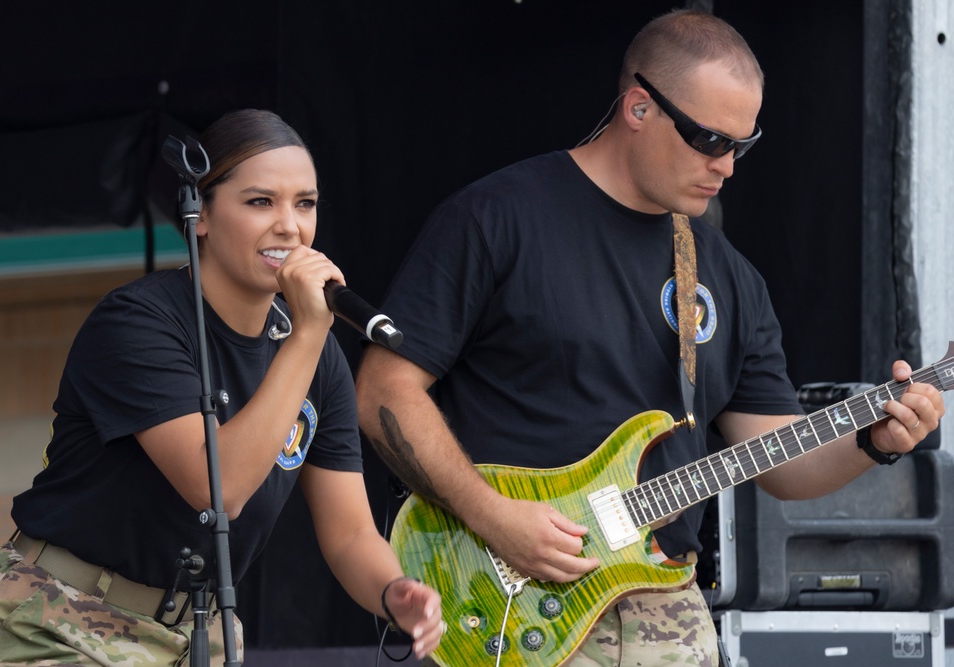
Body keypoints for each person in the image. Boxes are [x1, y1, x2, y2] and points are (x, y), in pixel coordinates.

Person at [354, 9, 945, 667]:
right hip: (503, 597)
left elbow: (780, 459)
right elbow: (385, 390)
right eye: (707, 139)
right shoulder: (496, 220)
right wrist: (496, 516)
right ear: (639, 107)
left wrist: (873, 439)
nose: (725, 165)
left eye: (741, 146)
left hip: (666, 609)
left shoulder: (729, 277)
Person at [0, 109, 443, 667]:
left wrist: (393, 591)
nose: (290, 225)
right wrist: (308, 333)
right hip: (56, 620)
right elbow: (219, 489)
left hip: (193, 635)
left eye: (304, 203)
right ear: (201, 215)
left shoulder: (317, 356)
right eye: (261, 202)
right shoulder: (138, 322)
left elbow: (351, 532)